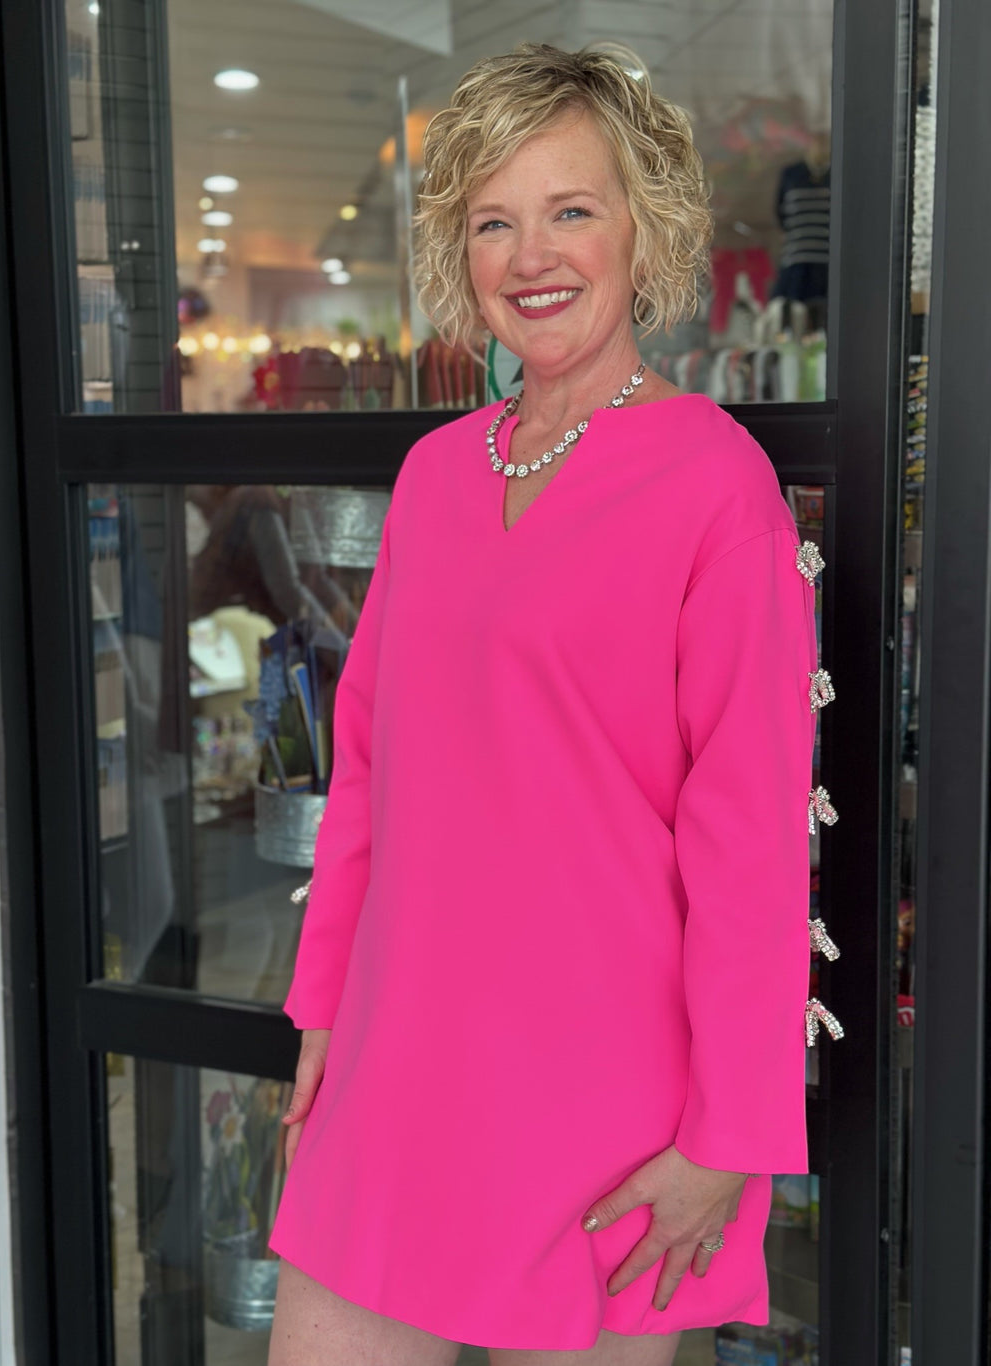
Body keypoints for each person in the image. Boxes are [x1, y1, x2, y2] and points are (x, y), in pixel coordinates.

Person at [268, 42, 837, 1366]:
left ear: (646, 227)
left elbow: (751, 842)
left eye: (571, 209)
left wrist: (725, 1142)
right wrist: (323, 1018)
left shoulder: (716, 485)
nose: (532, 254)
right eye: (493, 221)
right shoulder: (432, 477)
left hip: (611, 1113)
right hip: (398, 1078)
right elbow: (366, 777)